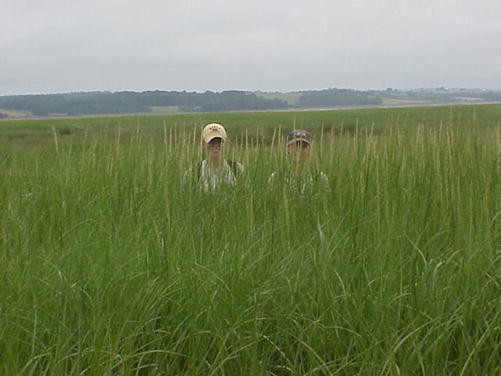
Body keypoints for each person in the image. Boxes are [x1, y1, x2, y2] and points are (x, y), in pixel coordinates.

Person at [184, 123, 244, 191]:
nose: (216, 145)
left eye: (219, 141)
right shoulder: (193, 173)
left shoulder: (238, 170)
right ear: (203, 144)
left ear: (226, 144)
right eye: (211, 141)